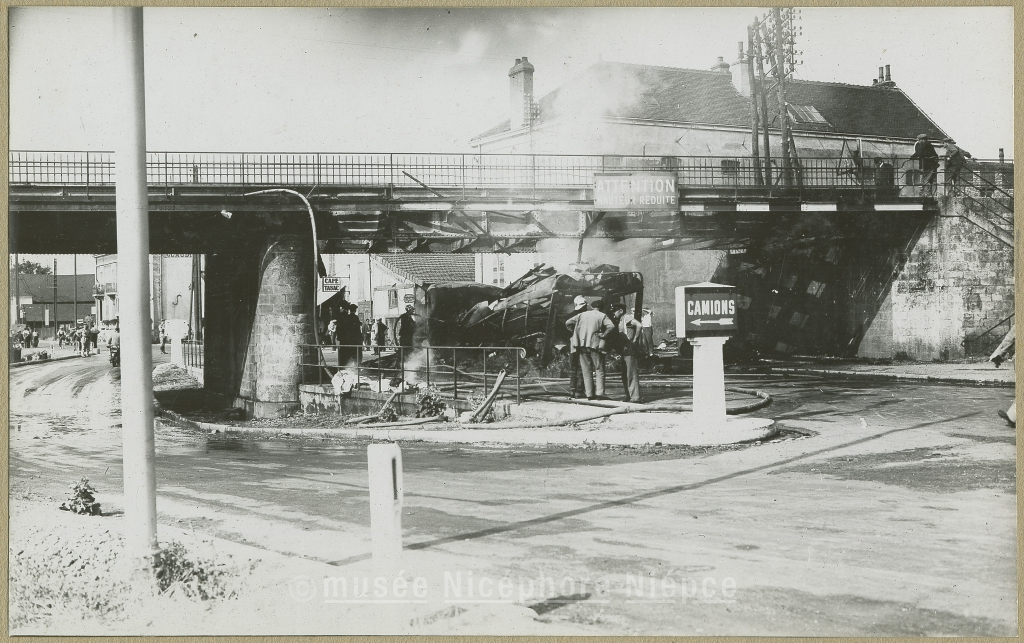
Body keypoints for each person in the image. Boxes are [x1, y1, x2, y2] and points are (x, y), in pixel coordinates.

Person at [565, 299, 615, 401]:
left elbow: (568, 322)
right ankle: (600, 393)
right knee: (599, 369)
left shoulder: (582, 315)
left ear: (591, 307)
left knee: (586, 370)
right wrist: (604, 334)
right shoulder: (602, 315)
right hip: (595, 344)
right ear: (601, 307)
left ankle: (589, 394)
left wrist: (575, 332)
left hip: (582, 345)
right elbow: (611, 326)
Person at [610, 303, 644, 403]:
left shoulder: (627, 317)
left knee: (631, 373)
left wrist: (635, 339)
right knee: (625, 373)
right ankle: (629, 396)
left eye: (615, 311)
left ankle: (635, 397)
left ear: (621, 310)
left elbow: (639, 325)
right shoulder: (620, 320)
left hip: (630, 349)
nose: (613, 313)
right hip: (624, 350)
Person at [565, 295, 589, 398]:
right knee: (581, 368)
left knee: (573, 368)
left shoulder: (569, 316)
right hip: (583, 344)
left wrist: (572, 333)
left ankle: (572, 390)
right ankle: (579, 390)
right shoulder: (586, 316)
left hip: (572, 344)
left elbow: (565, 328)